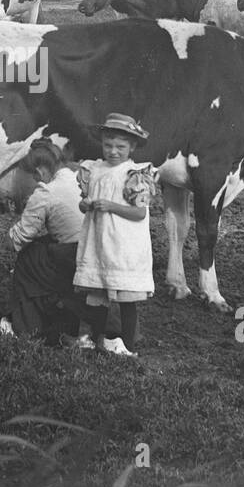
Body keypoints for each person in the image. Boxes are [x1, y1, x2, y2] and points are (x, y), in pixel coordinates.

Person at [71, 113, 160, 357]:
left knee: (125, 297)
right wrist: (86, 205)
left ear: (132, 147)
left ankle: (128, 345)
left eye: (120, 147)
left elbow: (140, 213)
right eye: (108, 145)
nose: (113, 151)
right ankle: (99, 338)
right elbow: (81, 204)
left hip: (123, 244)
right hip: (99, 241)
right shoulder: (93, 170)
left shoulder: (134, 174)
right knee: (98, 291)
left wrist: (111, 207)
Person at [2, 140, 85, 343]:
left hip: (73, 257)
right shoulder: (78, 176)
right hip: (92, 249)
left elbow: (17, 241)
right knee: (45, 246)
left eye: (34, 176)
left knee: (27, 259)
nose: (34, 180)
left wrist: (15, 224)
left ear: (40, 172)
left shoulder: (46, 192)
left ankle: (26, 324)